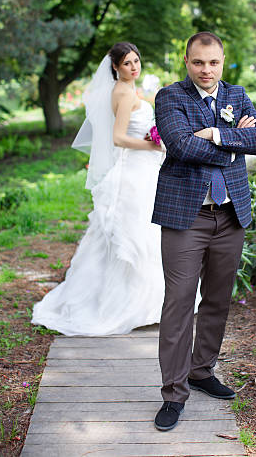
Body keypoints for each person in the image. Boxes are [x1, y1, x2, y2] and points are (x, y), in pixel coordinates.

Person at [152, 31, 256, 431]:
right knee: (180, 302)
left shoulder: (236, 95)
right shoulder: (170, 97)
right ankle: (173, 392)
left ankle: (202, 371)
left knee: (217, 300)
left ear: (223, 61)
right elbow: (181, 145)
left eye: (213, 62)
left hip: (230, 214)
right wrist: (238, 144)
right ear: (187, 61)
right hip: (187, 215)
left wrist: (218, 135)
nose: (206, 69)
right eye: (198, 62)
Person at [32, 42, 165, 336]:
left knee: (144, 231)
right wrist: (153, 143)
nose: (134, 67)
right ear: (115, 67)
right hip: (132, 169)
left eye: (136, 61)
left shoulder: (127, 90)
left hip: (140, 168)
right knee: (134, 232)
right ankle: (126, 304)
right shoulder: (122, 92)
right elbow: (118, 138)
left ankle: (149, 302)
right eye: (127, 63)